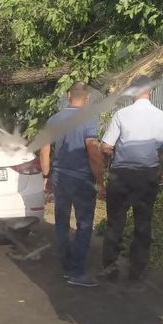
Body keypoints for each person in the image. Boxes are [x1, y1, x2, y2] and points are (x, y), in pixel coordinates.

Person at [100, 75, 163, 282]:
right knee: (143, 223)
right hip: (147, 176)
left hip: (121, 175)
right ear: (151, 91)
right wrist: (158, 167)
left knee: (115, 223)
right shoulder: (162, 117)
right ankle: (136, 271)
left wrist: (111, 155)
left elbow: (105, 147)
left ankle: (110, 267)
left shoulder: (121, 115)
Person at [40, 82, 105, 288]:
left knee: (61, 222)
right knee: (84, 224)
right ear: (87, 98)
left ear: (68, 95)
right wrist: (100, 181)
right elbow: (93, 152)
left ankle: (66, 266)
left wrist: (46, 175)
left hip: (60, 177)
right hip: (82, 180)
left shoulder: (54, 120)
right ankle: (77, 272)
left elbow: (44, 149)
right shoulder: (89, 119)